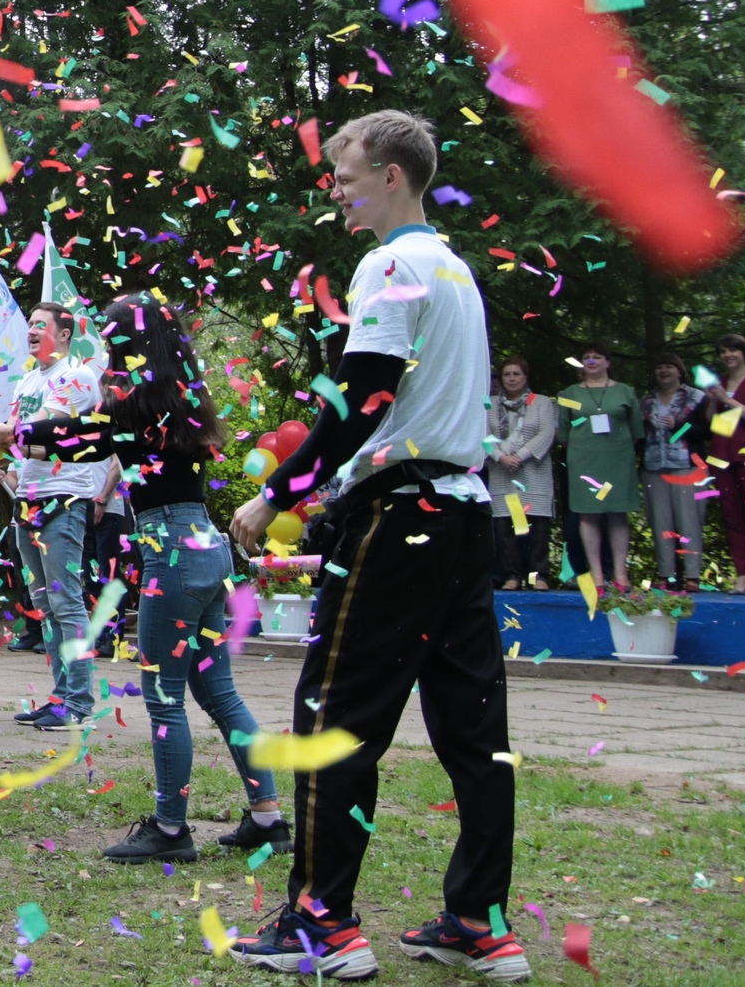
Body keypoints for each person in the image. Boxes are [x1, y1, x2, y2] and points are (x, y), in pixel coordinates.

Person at [226, 109, 522, 980]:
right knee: (476, 733)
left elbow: (362, 401)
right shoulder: (457, 272)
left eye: (348, 174)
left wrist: (276, 493)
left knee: (333, 718)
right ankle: (480, 920)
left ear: (393, 175)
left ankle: (321, 926)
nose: (338, 188)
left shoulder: (390, 262)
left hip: (402, 523)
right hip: (466, 519)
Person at [26, 296, 285, 865]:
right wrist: (18, 437)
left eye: (113, 336)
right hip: (205, 547)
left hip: (171, 553)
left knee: (164, 698)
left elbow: (79, 435)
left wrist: (14, 436)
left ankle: (170, 828)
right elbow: (85, 437)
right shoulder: (179, 397)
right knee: (218, 692)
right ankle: (267, 816)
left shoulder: (137, 405)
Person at [0, 300, 105, 732]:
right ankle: (58, 697)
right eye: (29, 324)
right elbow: (20, 443)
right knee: (44, 606)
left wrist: (3, 439)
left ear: (64, 334)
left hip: (64, 498)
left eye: (39, 325)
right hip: (27, 500)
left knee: (67, 602)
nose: (30, 331)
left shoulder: (77, 376)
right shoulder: (29, 379)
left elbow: (51, 432)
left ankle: (79, 700)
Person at [561, 343, 640, 591]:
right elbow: (563, 433)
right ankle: (596, 574)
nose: (592, 361)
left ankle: (620, 574)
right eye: (587, 357)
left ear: (608, 362)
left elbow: (637, 430)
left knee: (618, 513)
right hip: (583, 461)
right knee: (588, 514)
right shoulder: (569, 394)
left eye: (597, 357)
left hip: (618, 459)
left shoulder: (626, 392)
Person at [484, 356, 556, 590]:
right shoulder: (491, 403)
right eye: (507, 374)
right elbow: (482, 437)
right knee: (507, 527)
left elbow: (546, 433)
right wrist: (502, 458)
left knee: (536, 526)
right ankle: (512, 575)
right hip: (503, 473)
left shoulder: (541, 402)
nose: (512, 378)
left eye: (516, 374)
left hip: (533, 472)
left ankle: (539, 577)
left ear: (525, 377)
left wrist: (520, 456)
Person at [641, 350, 708, 590]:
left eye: (669, 366)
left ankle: (692, 576)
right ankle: (665, 575)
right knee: (661, 523)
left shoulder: (697, 397)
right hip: (654, 466)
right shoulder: (647, 400)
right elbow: (639, 436)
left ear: (680, 371)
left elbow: (707, 431)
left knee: (689, 521)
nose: (664, 371)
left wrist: (679, 427)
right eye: (659, 367)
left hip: (687, 467)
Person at [712, 335, 745, 593]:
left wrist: (727, 400)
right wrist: (713, 400)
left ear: (744, 353)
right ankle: (743, 574)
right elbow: (718, 424)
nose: (729, 355)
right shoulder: (721, 384)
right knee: (733, 518)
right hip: (724, 456)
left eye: (733, 350)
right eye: (724, 351)